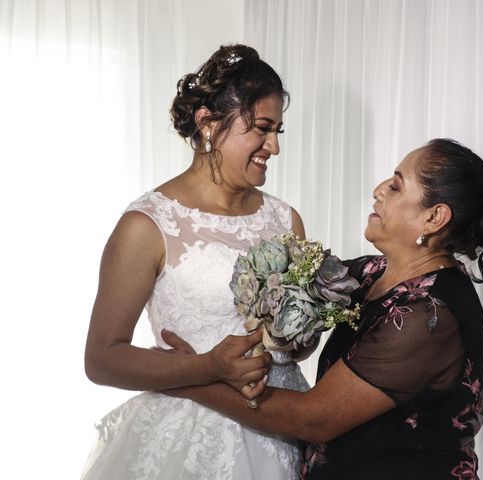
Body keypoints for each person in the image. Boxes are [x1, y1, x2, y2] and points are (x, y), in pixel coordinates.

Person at [161, 138, 483, 479]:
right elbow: (294, 306)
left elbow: (315, 419)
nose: (378, 191)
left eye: (396, 185)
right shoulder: (370, 274)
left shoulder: (428, 316)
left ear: (433, 218)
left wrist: (189, 379)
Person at [81, 44, 311, 479]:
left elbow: (298, 343)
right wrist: (206, 367)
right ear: (208, 123)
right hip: (189, 446)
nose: (274, 147)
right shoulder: (147, 224)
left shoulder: (285, 219)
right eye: (262, 128)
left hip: (283, 428)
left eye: (279, 130)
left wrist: (290, 339)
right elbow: (101, 358)